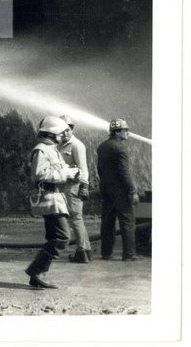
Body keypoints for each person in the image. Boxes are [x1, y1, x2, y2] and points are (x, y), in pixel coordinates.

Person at [24, 115, 81, 288]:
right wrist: (66, 174)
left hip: (56, 198)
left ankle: (38, 276)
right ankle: (36, 271)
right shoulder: (41, 149)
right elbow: (39, 174)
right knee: (63, 236)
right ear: (53, 133)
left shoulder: (52, 149)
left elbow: (54, 171)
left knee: (54, 237)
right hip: (50, 199)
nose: (63, 136)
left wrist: (69, 172)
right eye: (61, 133)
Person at [96, 118, 141, 261]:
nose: (128, 133)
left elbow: (100, 170)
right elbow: (124, 172)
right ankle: (129, 254)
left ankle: (106, 253)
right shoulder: (121, 148)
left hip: (107, 192)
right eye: (125, 130)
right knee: (127, 223)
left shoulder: (102, 147)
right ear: (117, 132)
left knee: (107, 224)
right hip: (121, 193)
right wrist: (132, 191)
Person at [58, 114, 92, 263]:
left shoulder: (77, 145)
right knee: (76, 219)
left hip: (75, 187)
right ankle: (86, 250)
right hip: (65, 186)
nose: (65, 133)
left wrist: (84, 186)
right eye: (62, 130)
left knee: (76, 219)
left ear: (72, 129)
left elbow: (83, 167)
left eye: (68, 129)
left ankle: (81, 251)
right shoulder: (59, 145)